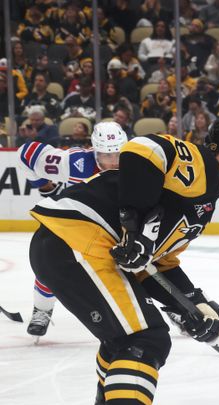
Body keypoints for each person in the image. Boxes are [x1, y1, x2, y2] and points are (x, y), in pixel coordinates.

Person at [27, 117, 219, 405]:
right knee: (145, 336)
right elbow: (141, 150)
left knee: (122, 336)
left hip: (72, 246)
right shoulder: (201, 166)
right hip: (79, 241)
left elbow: (156, 265)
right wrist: (131, 225)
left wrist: (197, 307)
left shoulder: (201, 203)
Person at [19, 122, 129, 339]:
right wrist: (45, 186)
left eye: (117, 154)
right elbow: (27, 153)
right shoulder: (75, 162)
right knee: (50, 262)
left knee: (136, 264)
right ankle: (42, 309)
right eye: (107, 156)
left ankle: (170, 309)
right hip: (74, 222)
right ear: (95, 150)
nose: (113, 161)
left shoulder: (137, 165)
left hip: (110, 225)